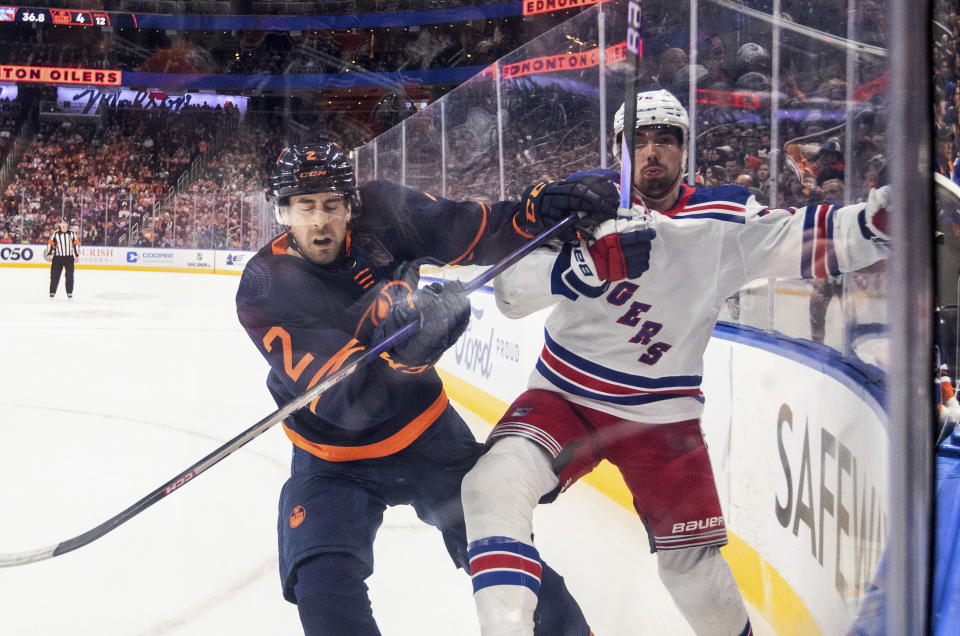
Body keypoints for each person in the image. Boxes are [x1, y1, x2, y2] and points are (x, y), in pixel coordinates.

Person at [460, 90, 890, 636]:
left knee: (691, 567)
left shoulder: (722, 220)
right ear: (617, 149)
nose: (651, 152)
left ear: (685, 151)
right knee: (490, 487)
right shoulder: (576, 207)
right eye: (636, 140)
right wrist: (585, 264)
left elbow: (811, 236)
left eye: (665, 139)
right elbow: (510, 294)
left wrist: (877, 221)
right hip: (564, 398)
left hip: (662, 419)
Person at [235, 140, 617, 635]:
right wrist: (412, 352)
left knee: (501, 553)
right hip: (332, 461)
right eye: (305, 207)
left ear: (351, 205)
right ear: (283, 212)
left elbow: (479, 231)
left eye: (332, 205)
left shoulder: (387, 213)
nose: (321, 221)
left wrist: (542, 206)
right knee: (323, 584)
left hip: (428, 438)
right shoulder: (268, 285)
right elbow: (346, 405)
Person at [46, 219, 79, 299]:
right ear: (59, 225)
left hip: (69, 258)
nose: (63, 225)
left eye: (65, 223)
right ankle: (52, 292)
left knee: (69, 276)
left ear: (67, 224)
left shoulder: (72, 234)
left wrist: (76, 255)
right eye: (62, 223)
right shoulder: (55, 234)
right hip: (57, 258)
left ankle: (69, 293)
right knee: (54, 275)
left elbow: (76, 245)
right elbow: (51, 244)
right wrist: (49, 254)